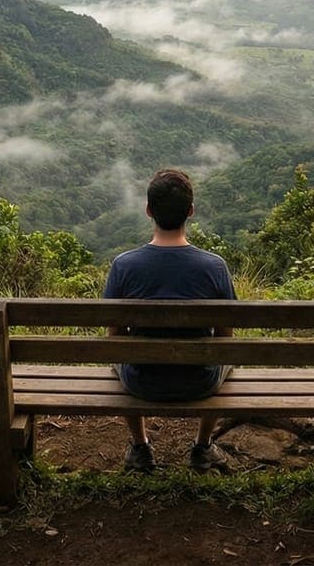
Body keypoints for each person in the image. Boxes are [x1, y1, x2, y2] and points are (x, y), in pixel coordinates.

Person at [103, 168, 237, 473]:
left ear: (148, 211)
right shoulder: (214, 267)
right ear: (190, 211)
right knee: (228, 355)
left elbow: (114, 335)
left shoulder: (124, 266)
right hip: (200, 382)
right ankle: (203, 447)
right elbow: (226, 335)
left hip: (142, 382)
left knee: (118, 354)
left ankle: (140, 447)